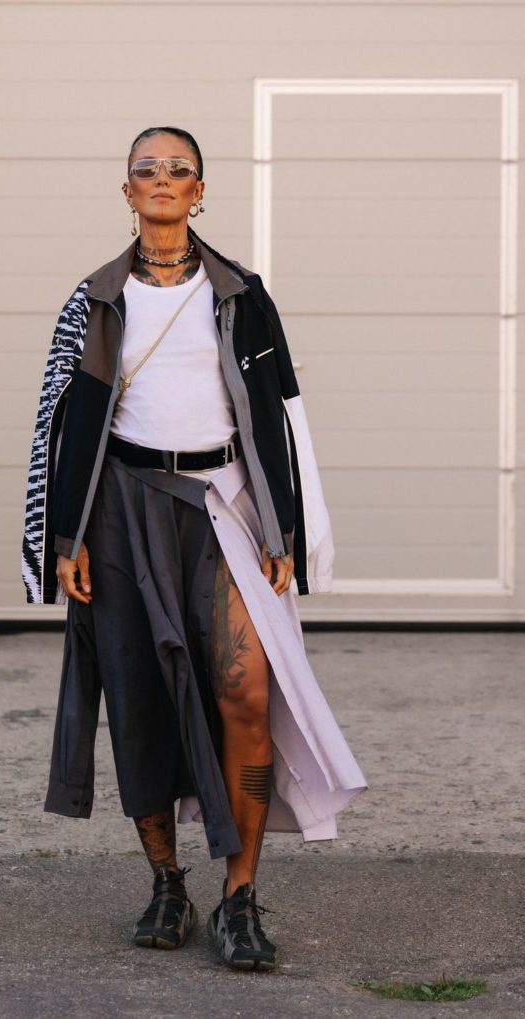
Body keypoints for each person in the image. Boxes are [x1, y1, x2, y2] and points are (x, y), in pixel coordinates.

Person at [22, 126, 368, 972]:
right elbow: (60, 425)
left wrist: (287, 529)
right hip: (122, 507)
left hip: (224, 504)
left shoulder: (242, 294)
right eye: (147, 169)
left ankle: (240, 895)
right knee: (137, 696)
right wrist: (63, 538)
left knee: (245, 690)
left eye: (179, 168)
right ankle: (167, 884)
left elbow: (283, 415)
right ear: (128, 190)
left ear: (200, 191)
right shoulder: (94, 298)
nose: (163, 178)